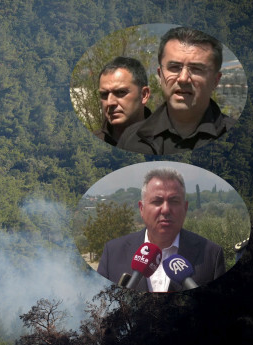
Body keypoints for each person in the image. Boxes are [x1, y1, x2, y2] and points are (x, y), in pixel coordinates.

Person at [97, 168, 226, 292]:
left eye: (174, 201)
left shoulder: (211, 254)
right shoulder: (113, 253)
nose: (165, 209)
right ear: (141, 208)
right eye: (157, 201)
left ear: (185, 208)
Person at [118, 27, 235, 154]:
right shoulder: (131, 140)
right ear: (160, 74)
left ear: (215, 81)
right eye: (174, 67)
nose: (183, 78)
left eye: (196, 69)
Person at [94, 56, 151, 146]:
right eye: (104, 94)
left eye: (120, 92)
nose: (110, 102)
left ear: (144, 95)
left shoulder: (167, 143)